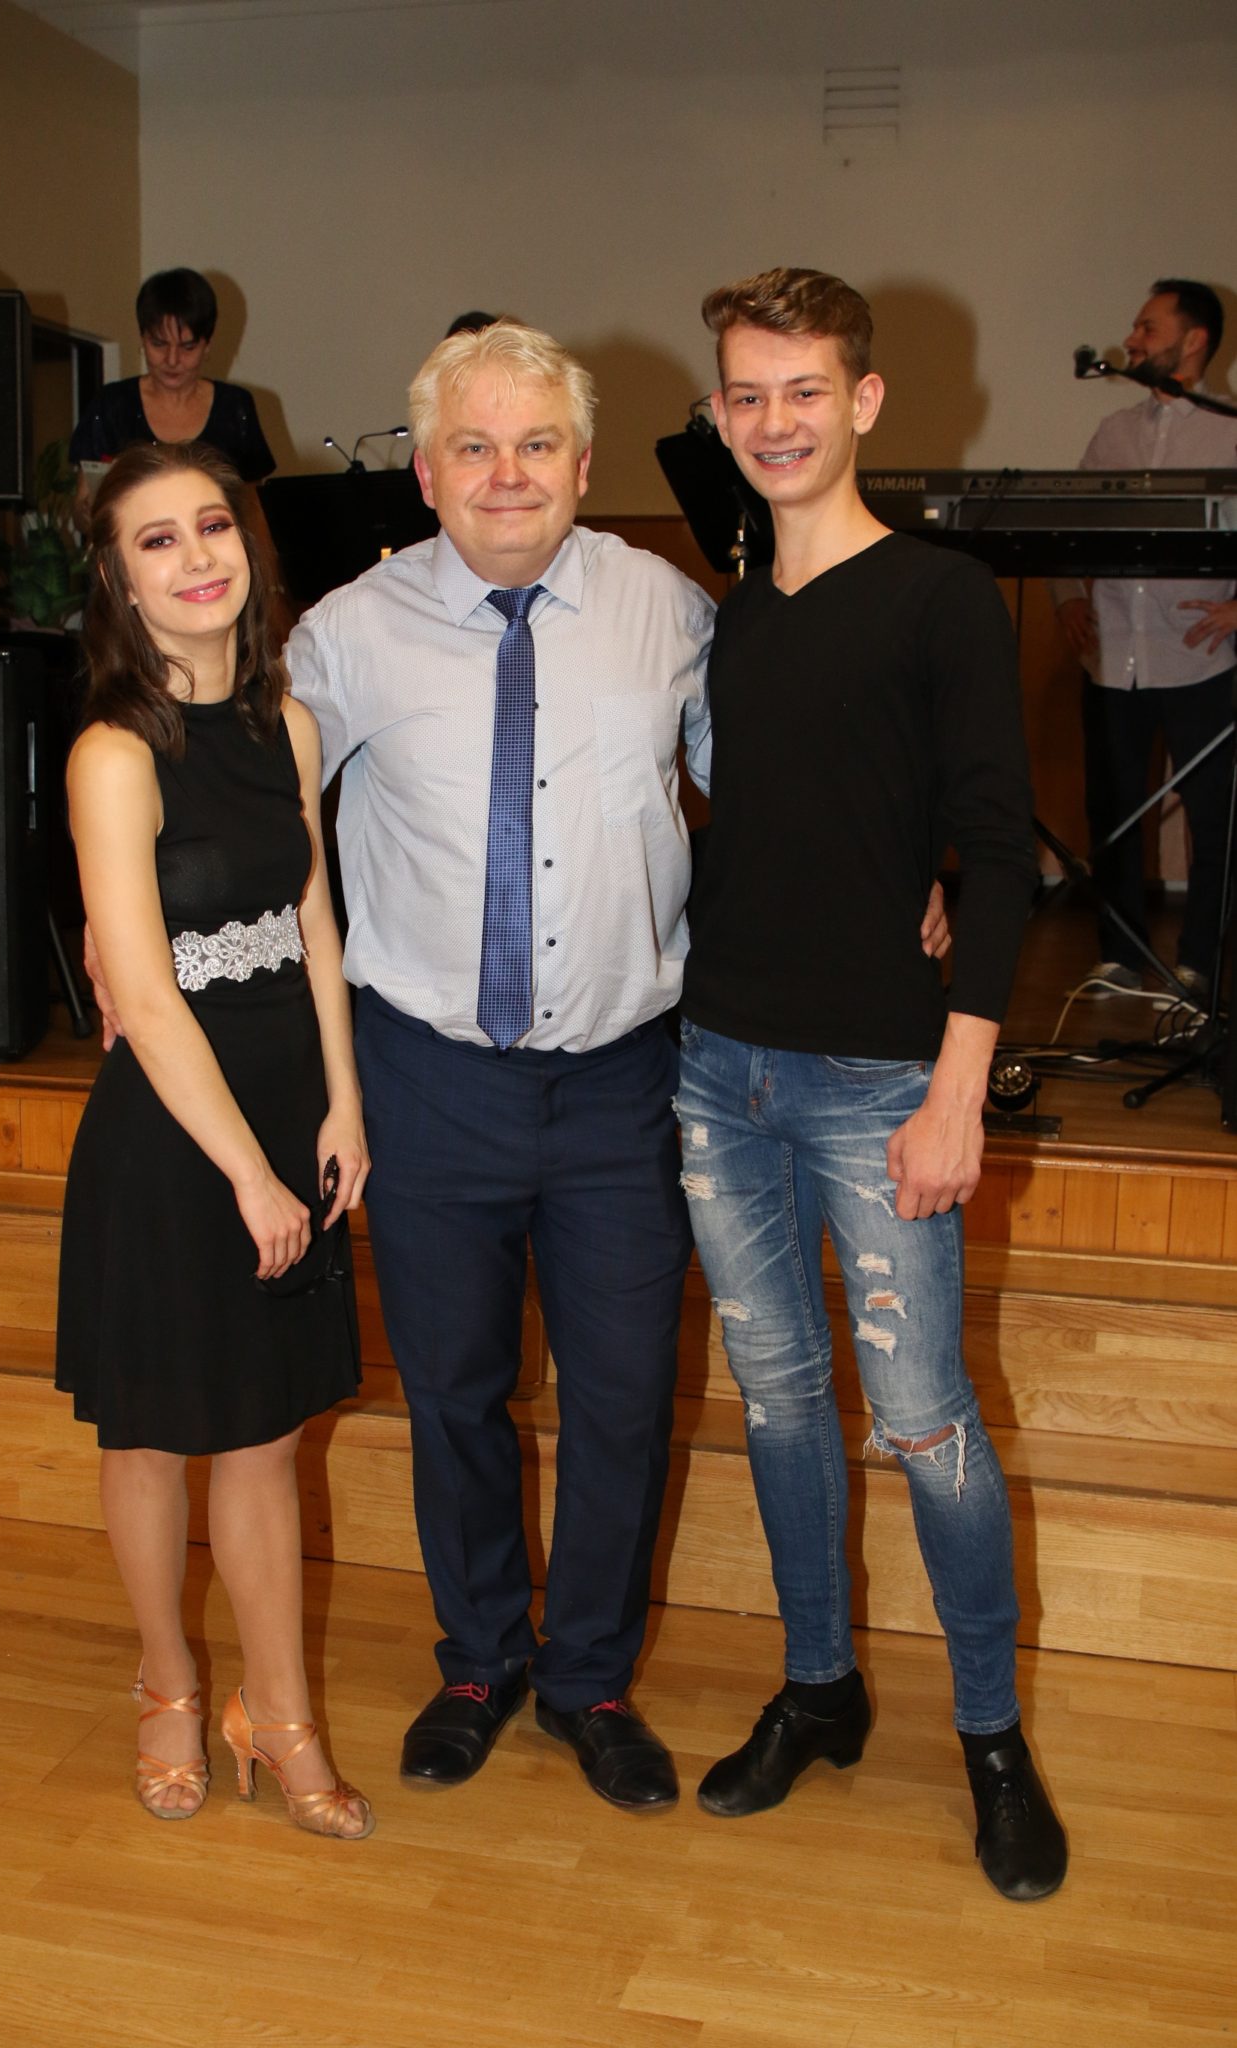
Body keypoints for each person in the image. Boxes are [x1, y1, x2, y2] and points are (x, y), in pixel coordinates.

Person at [284, 319, 948, 1813]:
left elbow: (772, 782)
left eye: (536, 444)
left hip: (621, 1082)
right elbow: (249, 805)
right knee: (454, 1390)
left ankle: (586, 1677)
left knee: (625, 1394)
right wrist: (133, 925)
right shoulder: (346, 632)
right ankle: (478, 1660)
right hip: (428, 1074)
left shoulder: (671, 610)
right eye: (472, 446)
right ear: (426, 473)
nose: (506, 473)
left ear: (583, 464)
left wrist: (902, 863)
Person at [676, 266, 1067, 1902]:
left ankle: (991, 1735)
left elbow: (1003, 854)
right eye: (746, 394)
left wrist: (958, 1085)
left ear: (864, 400)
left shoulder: (939, 595)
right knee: (779, 1405)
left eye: (804, 390)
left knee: (922, 1420)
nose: (775, 421)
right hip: (718, 1070)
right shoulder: (732, 615)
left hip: (878, 1082)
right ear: (718, 413)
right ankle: (820, 1686)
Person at [56, 439, 372, 1840]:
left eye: (213, 527)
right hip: (173, 1136)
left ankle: (280, 1712)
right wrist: (246, 1173)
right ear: (120, 585)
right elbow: (138, 992)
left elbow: (313, 924)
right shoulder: (112, 755)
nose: (198, 558)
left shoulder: (286, 726)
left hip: (288, 1101)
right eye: (158, 541)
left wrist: (342, 1103)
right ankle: (169, 1687)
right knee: (152, 1438)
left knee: (264, 1437)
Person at [1053, 279, 1237, 1000]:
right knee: (1113, 811)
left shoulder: (1230, 432)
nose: (1130, 341)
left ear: (1193, 341)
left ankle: (1201, 960)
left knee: (1215, 819)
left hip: (1200, 661)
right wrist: (1068, 596)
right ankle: (1121, 955)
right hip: (1111, 662)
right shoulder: (1113, 433)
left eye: (1147, 328)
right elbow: (1065, 528)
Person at [70, 267, 276, 487]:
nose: (172, 360)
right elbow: (85, 501)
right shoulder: (112, 405)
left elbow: (252, 500)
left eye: (188, 347)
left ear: (207, 345)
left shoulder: (235, 406)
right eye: (159, 344)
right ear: (142, 339)